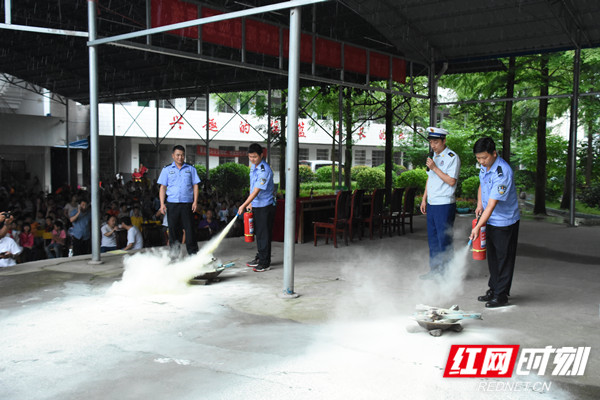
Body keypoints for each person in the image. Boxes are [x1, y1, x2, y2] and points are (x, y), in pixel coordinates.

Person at [469, 137, 520, 308]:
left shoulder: (502, 172)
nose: (481, 161)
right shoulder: (485, 167)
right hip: (490, 219)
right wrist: (478, 204)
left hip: (504, 221)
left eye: (484, 158)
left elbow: (492, 205)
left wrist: (477, 227)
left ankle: (501, 295)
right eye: (478, 158)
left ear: (494, 153)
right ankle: (494, 288)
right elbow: (482, 186)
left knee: (503, 258)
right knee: (492, 256)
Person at [419, 127, 461, 279]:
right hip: (432, 203)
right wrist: (424, 199)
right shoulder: (434, 157)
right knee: (433, 240)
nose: (433, 145)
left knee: (444, 239)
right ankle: (435, 271)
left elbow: (451, 181)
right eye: (431, 142)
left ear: (444, 141)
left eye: (436, 142)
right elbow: (430, 179)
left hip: (444, 204)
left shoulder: (452, 157)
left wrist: (435, 168)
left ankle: (448, 273)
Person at [157, 145, 201, 257]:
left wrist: (195, 202)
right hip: (172, 205)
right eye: (177, 155)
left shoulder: (191, 169)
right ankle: (174, 256)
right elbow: (162, 187)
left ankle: (193, 255)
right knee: (173, 231)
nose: (180, 157)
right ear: (173, 156)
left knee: (190, 230)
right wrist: (162, 204)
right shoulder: (167, 170)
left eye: (182, 155)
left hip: (187, 204)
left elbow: (195, 185)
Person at [238, 143, 275, 272]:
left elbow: (256, 191)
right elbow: (251, 186)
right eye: (250, 157)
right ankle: (260, 257)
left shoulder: (265, 170)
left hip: (265, 206)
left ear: (261, 155)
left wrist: (243, 205)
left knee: (264, 235)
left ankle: (265, 263)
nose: (252, 159)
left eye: (254, 157)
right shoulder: (254, 167)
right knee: (259, 233)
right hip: (256, 205)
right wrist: (249, 203)